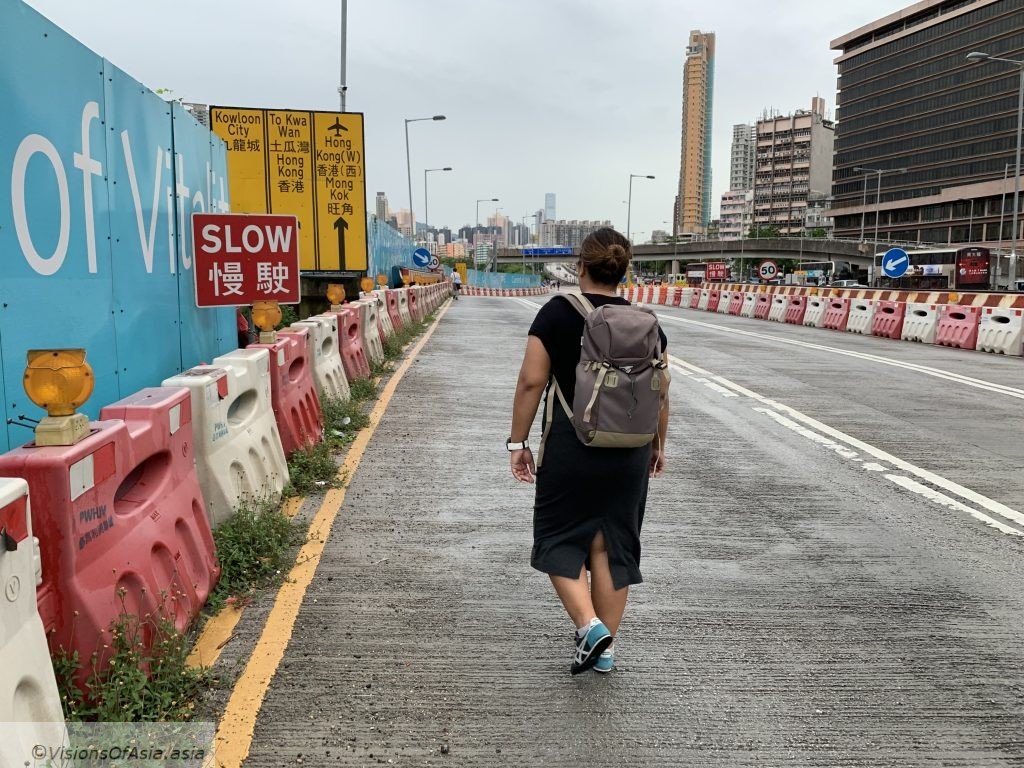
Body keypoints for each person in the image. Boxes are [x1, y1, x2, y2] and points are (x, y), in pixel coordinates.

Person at [508, 227, 669, 675]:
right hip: (631, 451)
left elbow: (531, 382)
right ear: (625, 269)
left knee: (560, 537)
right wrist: (657, 445)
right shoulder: (644, 321)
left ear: (580, 266)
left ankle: (589, 626)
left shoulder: (557, 313)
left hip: (572, 445)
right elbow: (662, 390)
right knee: (611, 547)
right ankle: (606, 651)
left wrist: (518, 442)